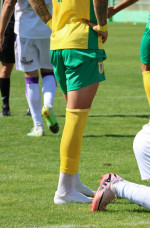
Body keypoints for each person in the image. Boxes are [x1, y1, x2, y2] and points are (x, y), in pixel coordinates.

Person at [28, 0, 109, 204]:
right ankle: (64, 190)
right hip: (82, 43)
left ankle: (72, 180)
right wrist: (103, 26)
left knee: (73, 118)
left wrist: (51, 22)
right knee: (76, 119)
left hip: (58, 43)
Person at [0, 0, 58, 136]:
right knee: (49, 73)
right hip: (48, 30)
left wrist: (1, 33)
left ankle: (38, 127)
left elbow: (8, 4)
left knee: (31, 78)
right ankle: (48, 105)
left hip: (25, 33)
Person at [0, 1, 14, 117]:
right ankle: (5, 106)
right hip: (8, 25)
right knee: (5, 67)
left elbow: (9, 3)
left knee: (32, 68)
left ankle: (32, 107)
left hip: (26, 23)